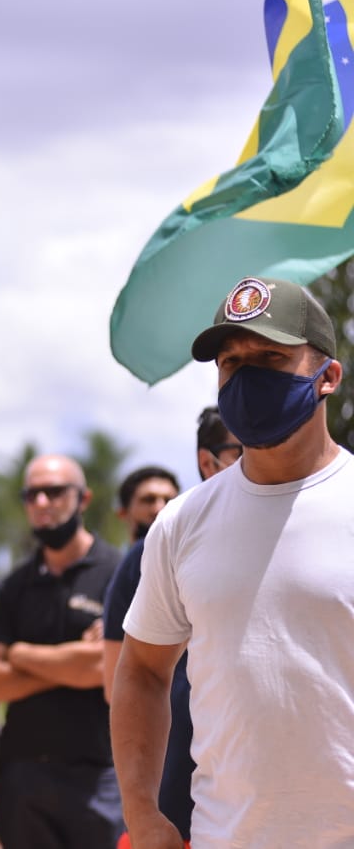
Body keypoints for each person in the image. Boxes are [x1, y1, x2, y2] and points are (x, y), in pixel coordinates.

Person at [113, 277, 354, 848]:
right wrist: (143, 815)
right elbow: (143, 671)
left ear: (329, 377)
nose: (246, 377)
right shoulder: (180, 523)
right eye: (230, 363)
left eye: (271, 356)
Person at [101, 409, 239, 845]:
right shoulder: (162, 545)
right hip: (180, 799)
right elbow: (121, 679)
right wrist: (143, 813)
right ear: (207, 461)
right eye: (241, 447)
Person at [0, 454, 124, 849]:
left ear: (84, 499)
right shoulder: (12, 587)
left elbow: (107, 668)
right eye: (32, 494)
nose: (42, 503)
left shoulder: (118, 573)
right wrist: (74, 660)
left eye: (55, 492)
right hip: (24, 778)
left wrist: (21, 655)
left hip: (100, 778)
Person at [113, 467, 179, 545]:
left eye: (169, 501)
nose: (160, 509)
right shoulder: (108, 556)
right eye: (149, 500)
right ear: (123, 513)